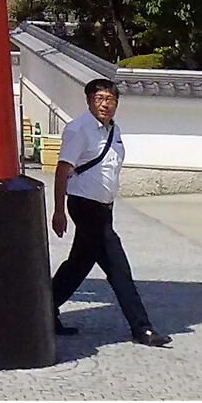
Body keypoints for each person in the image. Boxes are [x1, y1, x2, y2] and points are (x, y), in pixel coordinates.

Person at [50, 77, 171, 346]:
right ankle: (142, 328)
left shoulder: (114, 130)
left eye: (110, 99)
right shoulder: (78, 129)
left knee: (78, 265)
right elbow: (62, 170)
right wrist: (58, 211)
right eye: (100, 99)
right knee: (118, 267)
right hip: (84, 205)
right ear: (89, 101)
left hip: (104, 208)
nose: (105, 104)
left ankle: (43, 309)